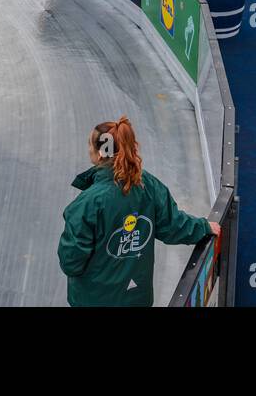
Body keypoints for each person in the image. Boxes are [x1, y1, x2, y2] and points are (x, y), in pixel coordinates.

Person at [57, 117, 217, 307]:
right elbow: (173, 225)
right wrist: (204, 226)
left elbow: (71, 261)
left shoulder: (87, 204)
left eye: (90, 144)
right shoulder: (149, 185)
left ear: (100, 154)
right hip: (137, 298)